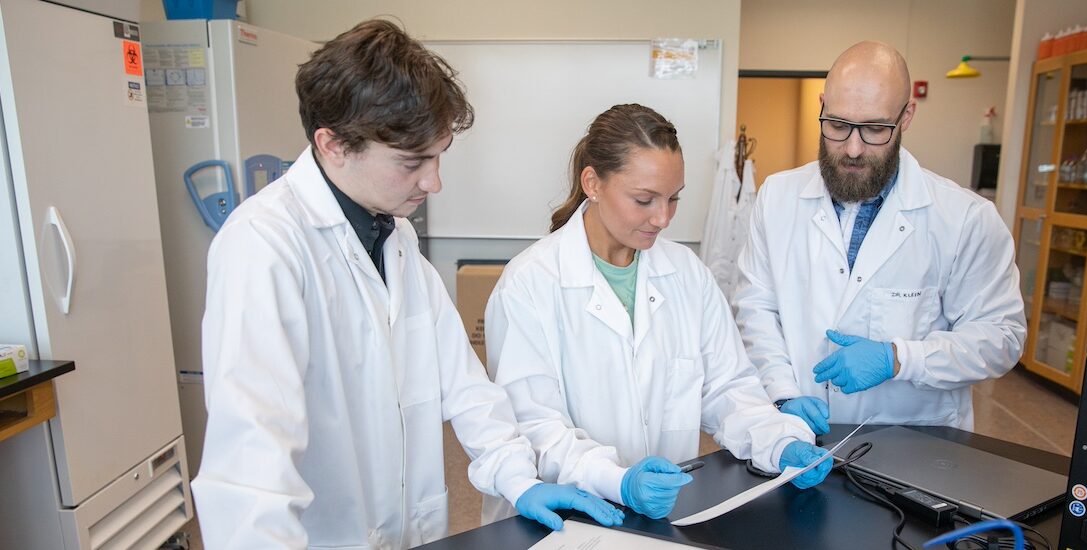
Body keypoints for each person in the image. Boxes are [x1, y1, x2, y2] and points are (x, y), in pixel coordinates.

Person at [193, 19, 624, 548]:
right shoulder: (264, 246)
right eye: (412, 162)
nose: (434, 181)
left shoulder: (393, 234)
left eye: (438, 155)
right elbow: (250, 466)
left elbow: (465, 386)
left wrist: (519, 477)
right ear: (333, 145)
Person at [481, 104, 832, 524]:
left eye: (673, 199)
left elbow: (727, 387)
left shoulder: (686, 274)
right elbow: (533, 426)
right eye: (644, 200)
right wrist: (618, 480)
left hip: (663, 514)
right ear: (592, 183)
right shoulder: (530, 283)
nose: (662, 218)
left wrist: (778, 439)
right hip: (563, 520)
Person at [734, 41, 1026, 434]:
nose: (853, 149)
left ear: (906, 116)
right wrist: (782, 392)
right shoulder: (778, 197)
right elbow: (756, 310)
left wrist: (900, 358)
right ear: (822, 106)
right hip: (799, 435)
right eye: (837, 126)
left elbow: (1000, 338)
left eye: (874, 129)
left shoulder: (964, 219)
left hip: (916, 442)